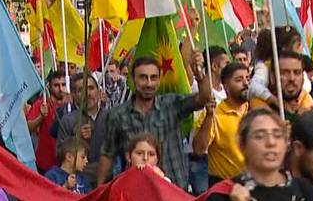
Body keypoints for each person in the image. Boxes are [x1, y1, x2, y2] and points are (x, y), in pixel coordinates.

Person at [98, 54, 212, 188]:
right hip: (137, 193)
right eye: (143, 77)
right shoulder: (117, 115)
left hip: (175, 192)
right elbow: (107, 154)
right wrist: (100, 192)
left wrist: (199, 74)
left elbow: (204, 97)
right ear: (133, 79)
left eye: (153, 78)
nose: (149, 83)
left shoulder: (172, 104)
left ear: (159, 80)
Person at [193, 62, 250, 186]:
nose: (246, 83)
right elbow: (198, 149)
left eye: (247, 78)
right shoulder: (214, 114)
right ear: (226, 87)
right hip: (225, 188)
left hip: (255, 187)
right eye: (239, 80)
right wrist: (209, 116)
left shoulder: (256, 110)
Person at [56, 73, 107, 185]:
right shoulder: (68, 120)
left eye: (91, 88)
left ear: (99, 92)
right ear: (74, 95)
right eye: (81, 90)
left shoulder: (111, 117)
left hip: (108, 180)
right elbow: (59, 154)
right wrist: (76, 139)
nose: (87, 94)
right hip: (79, 182)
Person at [249, 51, 313, 119]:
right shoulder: (258, 104)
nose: (291, 78)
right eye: (284, 73)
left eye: (297, 72)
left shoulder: (307, 101)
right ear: (272, 77)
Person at [28, 70, 68, 172]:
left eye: (63, 84)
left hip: (67, 162)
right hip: (45, 162)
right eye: (56, 85)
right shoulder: (42, 103)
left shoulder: (72, 105)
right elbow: (28, 127)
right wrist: (41, 117)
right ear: (50, 86)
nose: (60, 89)